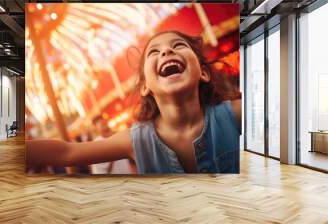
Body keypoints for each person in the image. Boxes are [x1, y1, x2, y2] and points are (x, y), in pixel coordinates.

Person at [26, 30, 241, 174]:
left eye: (178, 45)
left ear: (204, 73)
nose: (167, 51)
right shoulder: (136, 139)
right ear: (145, 86)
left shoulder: (236, 114)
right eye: (154, 52)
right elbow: (67, 152)